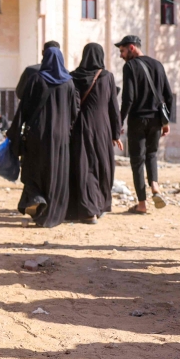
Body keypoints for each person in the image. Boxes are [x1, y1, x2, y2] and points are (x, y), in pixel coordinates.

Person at [9, 45, 79, 227]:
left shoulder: (36, 79)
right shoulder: (69, 83)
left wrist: (15, 133)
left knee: (33, 169)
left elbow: (24, 108)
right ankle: (51, 214)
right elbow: (74, 112)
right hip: (61, 136)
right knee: (56, 172)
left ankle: (36, 197)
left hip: (37, 134)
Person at [117, 35, 172, 214]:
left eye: (122, 51)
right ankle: (154, 185)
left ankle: (142, 204)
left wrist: (119, 121)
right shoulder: (158, 65)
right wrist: (166, 122)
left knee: (137, 161)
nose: (121, 56)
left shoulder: (130, 67)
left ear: (132, 48)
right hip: (156, 119)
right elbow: (168, 96)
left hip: (137, 119)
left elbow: (128, 98)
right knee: (152, 154)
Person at [67, 43, 120, 224]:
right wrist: (116, 133)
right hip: (102, 128)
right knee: (102, 166)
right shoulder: (107, 77)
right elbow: (113, 107)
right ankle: (98, 206)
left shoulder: (73, 76)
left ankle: (85, 209)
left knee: (82, 166)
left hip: (80, 127)